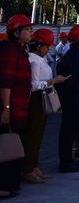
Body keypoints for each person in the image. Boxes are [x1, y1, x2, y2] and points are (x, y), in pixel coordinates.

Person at [22, 29, 67, 184]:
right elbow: (33, 84)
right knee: (33, 134)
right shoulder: (33, 61)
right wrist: (51, 82)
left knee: (39, 134)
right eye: (46, 46)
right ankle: (28, 169)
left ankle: (34, 166)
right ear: (39, 46)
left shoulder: (41, 59)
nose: (48, 49)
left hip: (42, 98)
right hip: (36, 99)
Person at [0, 14, 33, 197]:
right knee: (6, 145)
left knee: (14, 143)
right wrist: (6, 108)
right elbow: (6, 81)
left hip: (19, 107)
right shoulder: (10, 51)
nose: (30, 33)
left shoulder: (20, 50)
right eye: (27, 30)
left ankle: (12, 182)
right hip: (10, 107)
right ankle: (3, 184)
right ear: (17, 32)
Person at [55, 24, 79, 173]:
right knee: (68, 131)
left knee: (72, 130)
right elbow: (70, 80)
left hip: (77, 98)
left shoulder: (77, 56)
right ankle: (65, 163)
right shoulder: (72, 57)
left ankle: (69, 160)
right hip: (73, 100)